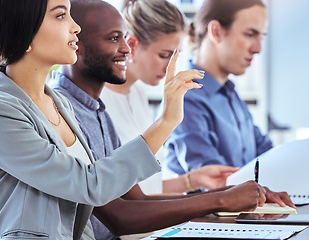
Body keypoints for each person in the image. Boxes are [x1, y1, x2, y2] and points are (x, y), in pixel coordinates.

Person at [50, 0, 295, 239]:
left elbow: (140, 197)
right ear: (74, 44)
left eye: (124, 38)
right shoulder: (62, 109)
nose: (126, 49)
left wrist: (229, 193)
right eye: (115, 39)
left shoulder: (100, 107)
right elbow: (119, 215)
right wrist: (220, 198)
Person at [0, 0, 196, 239]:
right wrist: (167, 121)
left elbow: (80, 214)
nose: (76, 27)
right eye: (60, 16)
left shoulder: (59, 103)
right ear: (24, 29)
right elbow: (89, 185)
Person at [165, 0, 309, 182]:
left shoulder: (229, 94)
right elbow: (217, 181)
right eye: (250, 34)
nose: (258, 48)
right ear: (216, 32)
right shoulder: (187, 97)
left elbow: (267, 155)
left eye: (261, 36)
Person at [100, 0, 239, 195]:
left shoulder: (137, 93)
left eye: (175, 57)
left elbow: (146, 190)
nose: (169, 69)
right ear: (131, 44)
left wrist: (191, 181)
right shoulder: (99, 100)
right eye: (164, 55)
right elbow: (116, 198)